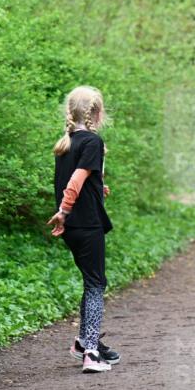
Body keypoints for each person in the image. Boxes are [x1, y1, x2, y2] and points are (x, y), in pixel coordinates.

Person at [47, 86, 121, 373]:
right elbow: (75, 180)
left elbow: (78, 178)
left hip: (74, 226)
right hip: (84, 222)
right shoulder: (92, 141)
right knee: (96, 284)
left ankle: (83, 342)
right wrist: (64, 210)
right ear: (97, 114)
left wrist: (98, 188)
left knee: (92, 281)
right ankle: (91, 352)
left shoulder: (67, 142)